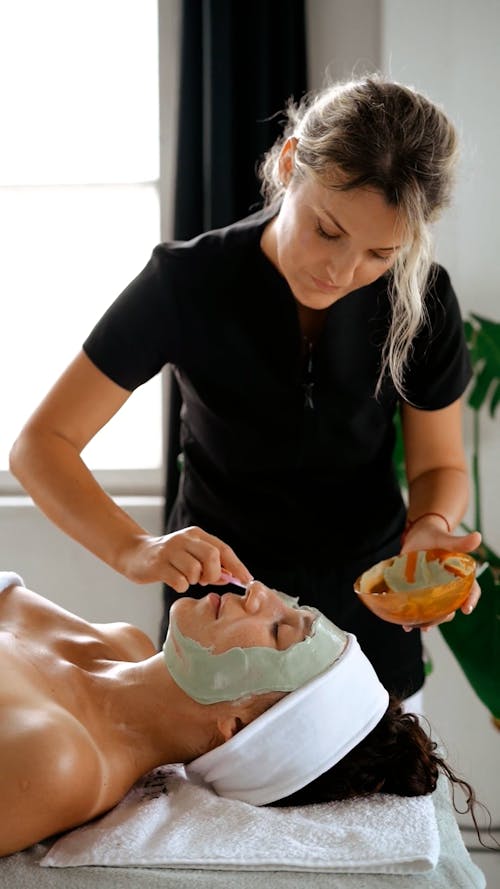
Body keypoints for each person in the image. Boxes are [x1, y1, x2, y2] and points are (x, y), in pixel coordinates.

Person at [9, 74, 482, 704]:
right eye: (328, 230)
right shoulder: (186, 282)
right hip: (221, 624)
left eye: (380, 253)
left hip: (368, 630)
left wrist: (430, 525)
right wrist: (135, 551)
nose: (341, 271)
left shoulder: (420, 299)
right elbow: (41, 445)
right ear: (290, 165)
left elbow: (441, 464)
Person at [0, 571, 480, 858]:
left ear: (236, 729)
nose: (258, 591)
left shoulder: (59, 765)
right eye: (289, 608)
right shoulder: (123, 644)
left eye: (276, 631)